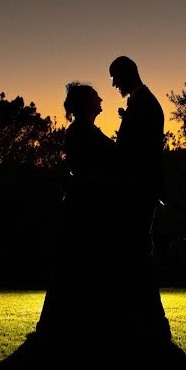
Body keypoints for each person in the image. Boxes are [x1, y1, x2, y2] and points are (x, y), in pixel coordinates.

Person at [35, 82, 116, 344]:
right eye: (95, 97)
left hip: (89, 206)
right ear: (84, 104)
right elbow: (84, 170)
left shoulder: (86, 130)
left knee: (80, 265)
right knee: (77, 264)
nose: (101, 99)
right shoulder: (80, 132)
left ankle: (75, 322)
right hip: (84, 209)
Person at [109, 55, 172, 348]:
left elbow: (135, 151)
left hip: (140, 189)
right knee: (135, 249)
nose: (113, 84)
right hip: (141, 188)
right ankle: (142, 318)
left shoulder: (144, 104)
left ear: (127, 74)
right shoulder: (142, 102)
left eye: (115, 77)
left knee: (138, 248)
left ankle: (152, 321)